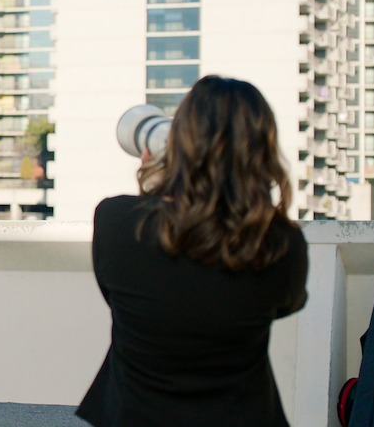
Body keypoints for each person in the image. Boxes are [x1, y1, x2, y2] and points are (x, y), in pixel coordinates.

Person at [77, 75, 309, 427]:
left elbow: (123, 294)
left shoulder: (116, 222)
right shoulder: (281, 244)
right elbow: (286, 303)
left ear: (178, 144)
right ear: (261, 151)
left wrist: (158, 183)